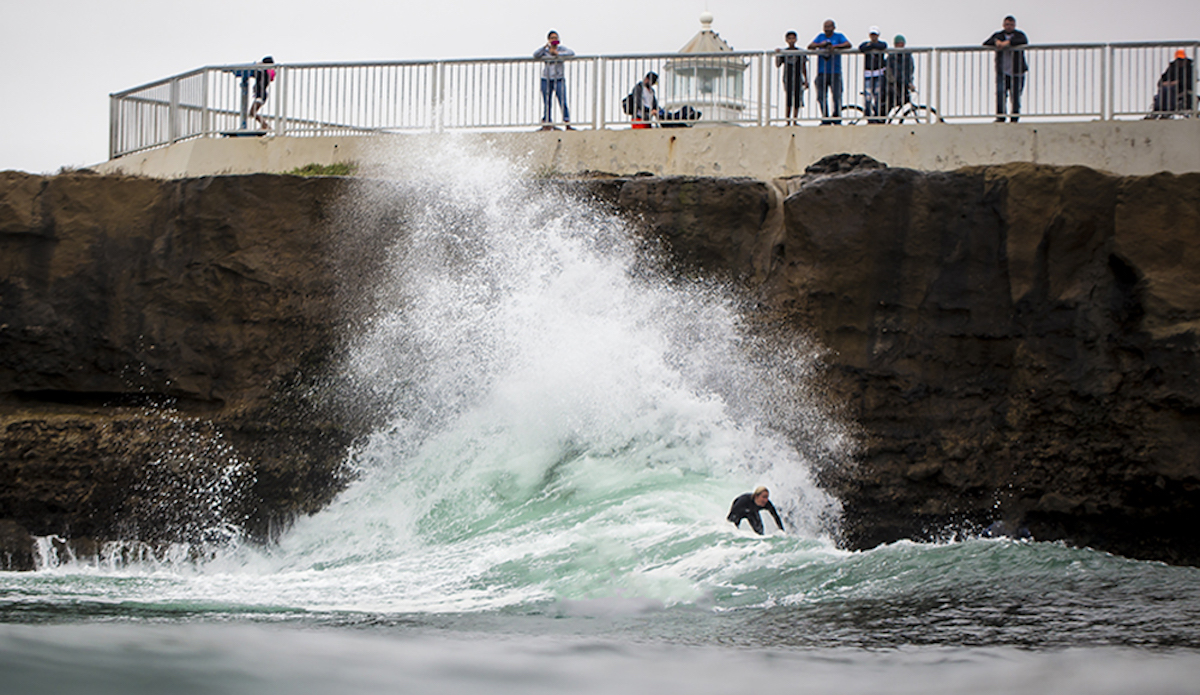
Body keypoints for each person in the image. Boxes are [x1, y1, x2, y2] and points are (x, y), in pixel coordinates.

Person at [983, 16, 1029, 123]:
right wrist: (996, 42)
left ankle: (1014, 117)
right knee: (1000, 93)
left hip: (1017, 71)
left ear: (1015, 25)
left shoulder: (1019, 35)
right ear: (1003, 25)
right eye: (1007, 24)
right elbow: (986, 43)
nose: (1009, 27)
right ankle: (1001, 116)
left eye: (1011, 25)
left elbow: (1023, 41)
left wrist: (1008, 43)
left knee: (1016, 95)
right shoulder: (998, 35)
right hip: (1002, 71)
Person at [808, 19, 852, 125]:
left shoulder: (839, 36)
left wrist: (835, 47)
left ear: (834, 27)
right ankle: (825, 117)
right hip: (822, 72)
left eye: (829, 27)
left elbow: (848, 44)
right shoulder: (820, 37)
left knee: (837, 96)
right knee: (821, 96)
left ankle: (836, 117)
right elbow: (810, 46)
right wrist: (821, 45)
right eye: (825, 27)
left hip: (835, 72)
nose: (827, 29)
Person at [534, 31, 576, 130]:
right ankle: (547, 123)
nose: (554, 40)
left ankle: (567, 123)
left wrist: (557, 54)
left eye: (556, 38)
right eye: (552, 38)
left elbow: (571, 53)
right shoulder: (545, 51)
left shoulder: (562, 49)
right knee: (547, 102)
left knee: (562, 101)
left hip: (559, 79)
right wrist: (545, 47)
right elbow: (535, 55)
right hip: (546, 79)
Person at [775, 30, 808, 126]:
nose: (791, 40)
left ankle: (795, 120)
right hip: (788, 78)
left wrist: (806, 79)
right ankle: (788, 120)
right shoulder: (784, 52)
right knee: (789, 99)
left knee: (797, 99)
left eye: (793, 38)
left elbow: (804, 66)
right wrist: (777, 54)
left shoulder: (800, 52)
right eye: (789, 38)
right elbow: (778, 64)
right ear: (786, 40)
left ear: (796, 39)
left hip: (798, 77)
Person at [1150, 49, 1195, 117]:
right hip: (1168, 89)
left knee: (1170, 89)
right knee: (1164, 89)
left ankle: (1169, 110)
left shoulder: (1189, 69)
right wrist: (1165, 83)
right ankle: (1157, 110)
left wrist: (1177, 83)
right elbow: (1160, 82)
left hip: (1182, 89)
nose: (1180, 62)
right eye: (1178, 60)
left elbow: (1189, 82)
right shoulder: (1171, 68)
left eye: (1181, 60)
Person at [859, 27, 888, 123]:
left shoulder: (881, 44)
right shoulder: (866, 44)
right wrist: (871, 46)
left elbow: (882, 46)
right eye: (872, 35)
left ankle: (877, 116)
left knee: (877, 95)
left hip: (878, 73)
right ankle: (868, 115)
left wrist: (871, 46)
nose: (873, 37)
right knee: (867, 96)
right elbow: (861, 48)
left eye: (875, 35)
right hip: (868, 73)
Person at [886, 35, 916, 115]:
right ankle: (882, 118)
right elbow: (892, 72)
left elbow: (910, 71)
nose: (900, 45)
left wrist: (910, 82)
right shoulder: (891, 57)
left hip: (904, 83)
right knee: (891, 101)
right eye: (898, 44)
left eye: (901, 43)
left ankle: (885, 117)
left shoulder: (908, 56)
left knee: (903, 99)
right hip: (895, 84)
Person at [250, 56, 276, 130]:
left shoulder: (263, 72)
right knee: (253, 112)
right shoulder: (267, 72)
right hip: (262, 94)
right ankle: (264, 125)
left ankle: (265, 125)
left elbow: (255, 73)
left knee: (252, 112)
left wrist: (256, 65)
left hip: (260, 95)